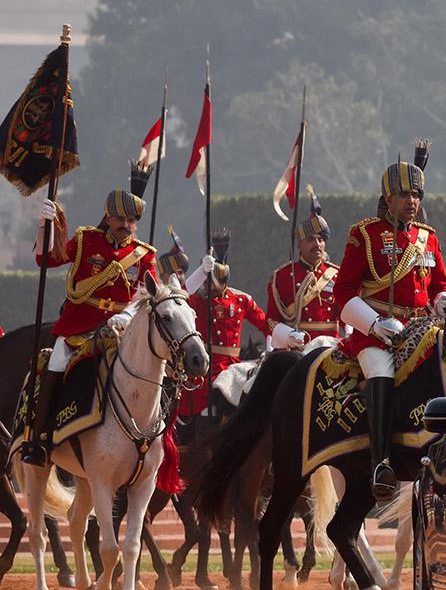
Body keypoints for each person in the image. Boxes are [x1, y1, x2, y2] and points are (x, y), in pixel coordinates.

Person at [334, 157, 446, 499]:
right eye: (404, 195)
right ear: (388, 199)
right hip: (376, 333)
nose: (411, 201)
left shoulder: (427, 237)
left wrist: (443, 300)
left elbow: (440, 284)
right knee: (380, 371)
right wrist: (373, 324)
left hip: (423, 329)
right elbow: (343, 292)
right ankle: (381, 462)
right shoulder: (365, 234)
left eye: (416, 195)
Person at [22, 163, 157, 465]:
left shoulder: (144, 254)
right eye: (120, 218)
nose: (126, 224)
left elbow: (150, 296)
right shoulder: (86, 241)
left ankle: (154, 439)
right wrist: (44, 227)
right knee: (56, 363)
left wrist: (128, 316)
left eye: (131, 220)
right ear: (108, 217)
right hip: (80, 326)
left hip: (122, 329)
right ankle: (39, 440)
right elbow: (46, 260)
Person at [177, 230, 269, 420]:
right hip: (206, 364)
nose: (206, 285)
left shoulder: (241, 299)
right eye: (205, 281)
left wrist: (275, 346)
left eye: (209, 281)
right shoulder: (197, 300)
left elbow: (266, 324)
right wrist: (200, 272)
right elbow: (181, 294)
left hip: (233, 364)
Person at [267, 186, 342, 350]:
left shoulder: (337, 275)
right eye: (310, 239)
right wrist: (288, 336)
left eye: (321, 240)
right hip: (299, 346)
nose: (317, 244)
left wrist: (349, 333)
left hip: (332, 347)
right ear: (299, 244)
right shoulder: (283, 276)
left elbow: (347, 313)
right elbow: (272, 320)